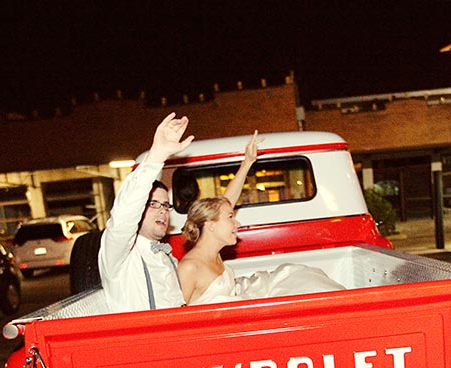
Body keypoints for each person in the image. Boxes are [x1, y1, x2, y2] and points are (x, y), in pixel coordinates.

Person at [98, 113, 195, 313]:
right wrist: (157, 155)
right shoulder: (120, 255)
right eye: (153, 204)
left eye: (165, 205)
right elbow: (124, 214)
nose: (162, 211)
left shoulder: (168, 258)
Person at [179, 197, 345, 306]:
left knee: (296, 276)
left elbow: (221, 203)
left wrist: (246, 164)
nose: (237, 224)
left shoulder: (214, 255)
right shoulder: (189, 267)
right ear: (211, 225)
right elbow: (173, 318)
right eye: (230, 217)